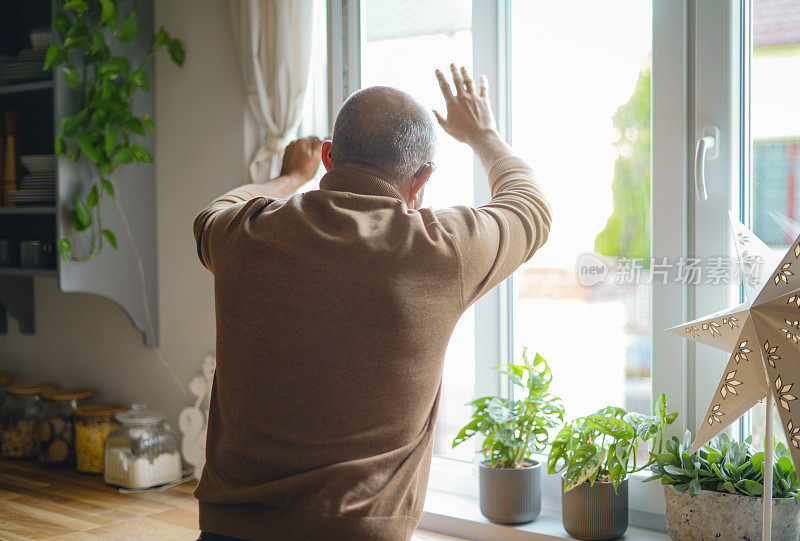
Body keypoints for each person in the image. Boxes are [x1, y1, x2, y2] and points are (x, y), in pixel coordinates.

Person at [193, 64, 551, 541]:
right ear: (421, 180)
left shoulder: (245, 234)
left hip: (229, 530)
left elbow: (214, 210)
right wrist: (482, 134)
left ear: (328, 157)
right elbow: (530, 207)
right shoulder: (442, 249)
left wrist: (288, 179)